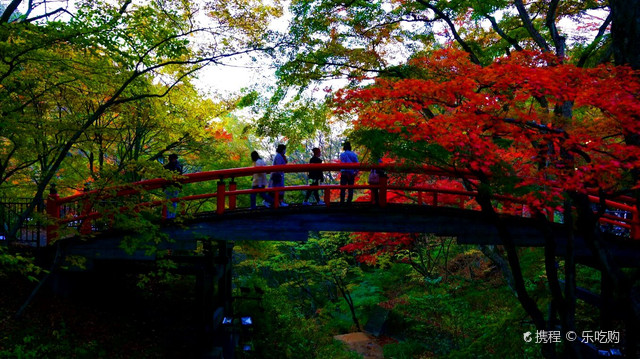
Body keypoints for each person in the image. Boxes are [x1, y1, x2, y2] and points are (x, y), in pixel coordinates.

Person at [163, 154, 183, 218]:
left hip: (173, 186)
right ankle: (169, 217)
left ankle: (171, 216)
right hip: (171, 186)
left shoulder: (168, 167)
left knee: (172, 202)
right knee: (170, 202)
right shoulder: (178, 166)